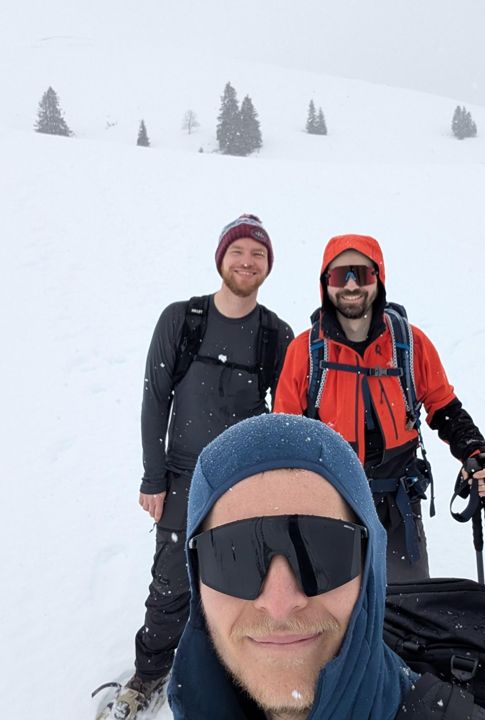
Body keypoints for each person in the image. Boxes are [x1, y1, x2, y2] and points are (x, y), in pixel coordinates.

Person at [168, 413, 485, 719]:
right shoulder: (306, 356)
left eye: (322, 552)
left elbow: (440, 402)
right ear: (196, 577)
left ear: (369, 570)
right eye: (232, 556)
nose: (280, 604)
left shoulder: (409, 355)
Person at [107, 215, 294, 719]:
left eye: (258, 255)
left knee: (241, 580)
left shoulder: (276, 334)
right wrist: (153, 478)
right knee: (170, 581)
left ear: (268, 267)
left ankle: (234, 670)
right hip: (184, 474)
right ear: (221, 259)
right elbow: (155, 402)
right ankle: (149, 673)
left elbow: (290, 413)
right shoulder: (182, 319)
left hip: (243, 479)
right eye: (239, 252)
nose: (247, 262)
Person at [274, 234, 485, 582]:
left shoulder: (410, 344)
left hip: (398, 506)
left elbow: (444, 409)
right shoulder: (305, 353)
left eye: (361, 274)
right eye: (339, 276)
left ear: (377, 278)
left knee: (406, 613)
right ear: (325, 284)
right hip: (329, 506)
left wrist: (477, 453)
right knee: (336, 619)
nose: (351, 285)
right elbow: (284, 437)